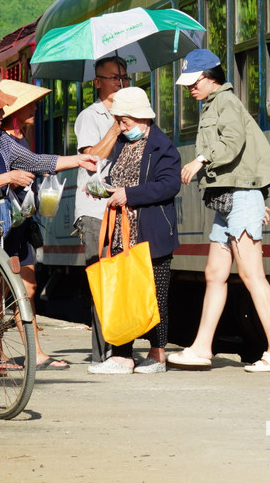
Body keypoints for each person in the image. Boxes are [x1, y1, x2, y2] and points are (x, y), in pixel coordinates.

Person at [0, 80, 97, 370]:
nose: (4, 110)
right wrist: (9, 177)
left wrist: (79, 160)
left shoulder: (1, 140)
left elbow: (37, 161)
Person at [167, 49, 270, 373]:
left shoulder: (225, 102)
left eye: (194, 83)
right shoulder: (214, 104)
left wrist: (201, 159)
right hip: (230, 200)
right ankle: (201, 348)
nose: (189, 89)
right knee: (214, 274)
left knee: (252, 275)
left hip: (239, 199)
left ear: (209, 77)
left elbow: (235, 142)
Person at [93, 86, 182, 375]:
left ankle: (157, 355)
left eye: (124, 121)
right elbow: (115, 175)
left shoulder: (162, 146)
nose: (120, 127)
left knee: (155, 295)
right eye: (119, 121)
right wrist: (104, 187)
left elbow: (169, 185)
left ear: (139, 117)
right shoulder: (122, 143)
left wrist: (129, 194)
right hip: (121, 233)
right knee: (123, 294)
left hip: (151, 234)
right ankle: (122, 356)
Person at [0, 78, 69, 370]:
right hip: (8, 223)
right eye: (31, 103)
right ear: (16, 108)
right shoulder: (4, 139)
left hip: (23, 222)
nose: (37, 108)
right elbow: (39, 163)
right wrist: (78, 159)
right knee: (3, 289)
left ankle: (34, 351)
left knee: (27, 286)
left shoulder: (20, 136)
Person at [73, 55, 128, 368]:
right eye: (114, 77)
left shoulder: (128, 115)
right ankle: (102, 352)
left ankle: (119, 349)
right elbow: (91, 158)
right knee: (101, 279)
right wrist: (115, 130)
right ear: (98, 82)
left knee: (121, 278)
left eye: (124, 77)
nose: (121, 83)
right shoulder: (89, 116)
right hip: (95, 209)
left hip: (121, 207)